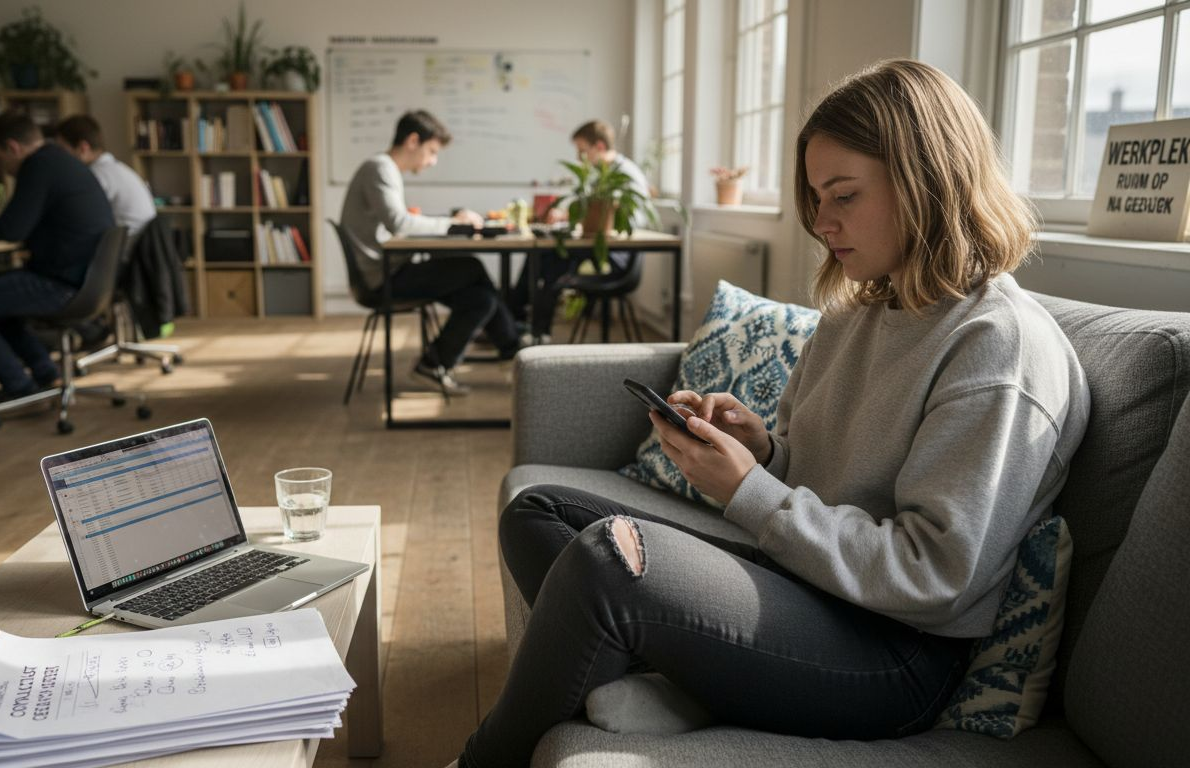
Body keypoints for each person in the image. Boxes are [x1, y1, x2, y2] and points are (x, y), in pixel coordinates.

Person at [451, 59, 1091, 768]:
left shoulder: (998, 347)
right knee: (538, 512)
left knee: (608, 561)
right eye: (816, 197)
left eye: (844, 195)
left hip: (898, 655)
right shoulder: (857, 311)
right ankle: (690, 681)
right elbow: (824, 479)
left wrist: (748, 489)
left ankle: (485, 761)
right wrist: (762, 452)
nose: (821, 222)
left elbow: (934, 576)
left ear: (928, 184)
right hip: (806, 586)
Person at [340, 109, 521, 396]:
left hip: (389, 270)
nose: (433, 160)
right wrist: (453, 224)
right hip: (381, 278)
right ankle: (513, 347)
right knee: (471, 267)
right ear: (413, 141)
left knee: (482, 299)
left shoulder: (385, 169)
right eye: (432, 151)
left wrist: (449, 221)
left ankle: (434, 364)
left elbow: (401, 222)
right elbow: (400, 223)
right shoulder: (380, 168)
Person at [0, 111, 113, 401]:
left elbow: (12, 230)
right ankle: (46, 373)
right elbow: (22, 221)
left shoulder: (38, 166)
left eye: (0, 158)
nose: (2, 167)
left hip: (60, 283)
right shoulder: (58, 160)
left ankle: (19, 387)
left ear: (12, 147)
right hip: (86, 281)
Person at [509, 120, 651, 342]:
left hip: (618, 254)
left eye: (582, 151)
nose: (579, 157)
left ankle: (530, 329)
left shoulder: (625, 174)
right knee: (540, 255)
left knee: (552, 260)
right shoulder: (602, 175)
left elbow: (636, 220)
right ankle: (518, 324)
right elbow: (592, 213)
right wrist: (569, 216)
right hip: (596, 246)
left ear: (599, 147)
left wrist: (601, 215)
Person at [53, 114, 156, 236]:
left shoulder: (98, 175)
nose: (59, 157)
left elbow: (79, 214)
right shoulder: (113, 168)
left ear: (83, 148)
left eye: (62, 150)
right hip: (133, 239)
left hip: (126, 242)